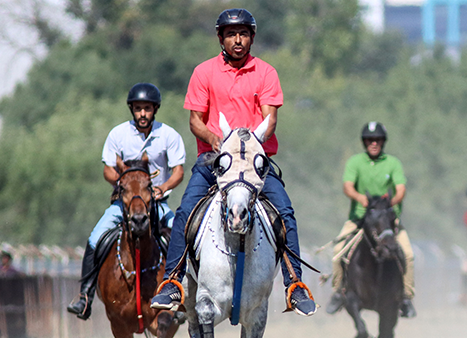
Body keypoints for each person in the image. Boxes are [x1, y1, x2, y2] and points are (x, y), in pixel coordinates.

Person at [150, 8, 316, 316]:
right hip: (214, 160)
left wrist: (249, 145)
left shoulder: (266, 72)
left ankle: (295, 285)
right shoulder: (204, 72)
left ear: (252, 37)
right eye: (230, 34)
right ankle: (172, 282)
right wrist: (215, 139)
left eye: (243, 34)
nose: (237, 40)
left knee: (285, 213)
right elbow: (195, 121)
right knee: (185, 212)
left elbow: (271, 119)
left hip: (254, 162)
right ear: (220, 38)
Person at [66, 83, 186, 320]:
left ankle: (183, 295)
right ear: (132, 109)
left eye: (148, 109)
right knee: (95, 238)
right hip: (123, 205)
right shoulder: (117, 134)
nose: (143, 113)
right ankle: (85, 296)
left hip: (157, 205)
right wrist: (123, 184)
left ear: (155, 110)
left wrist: (163, 187)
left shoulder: (168, 135)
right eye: (139, 108)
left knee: (181, 237)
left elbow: (178, 171)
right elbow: (108, 170)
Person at [324, 122, 416, 317]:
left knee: (407, 254)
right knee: (337, 253)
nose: (374, 143)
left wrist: (390, 203)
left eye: (378, 140)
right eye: (369, 140)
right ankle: (338, 292)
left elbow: (401, 189)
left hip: (389, 223)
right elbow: (348, 186)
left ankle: (406, 297)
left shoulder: (393, 163)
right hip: (359, 221)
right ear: (364, 142)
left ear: (383, 142)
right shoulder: (355, 162)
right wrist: (360, 198)